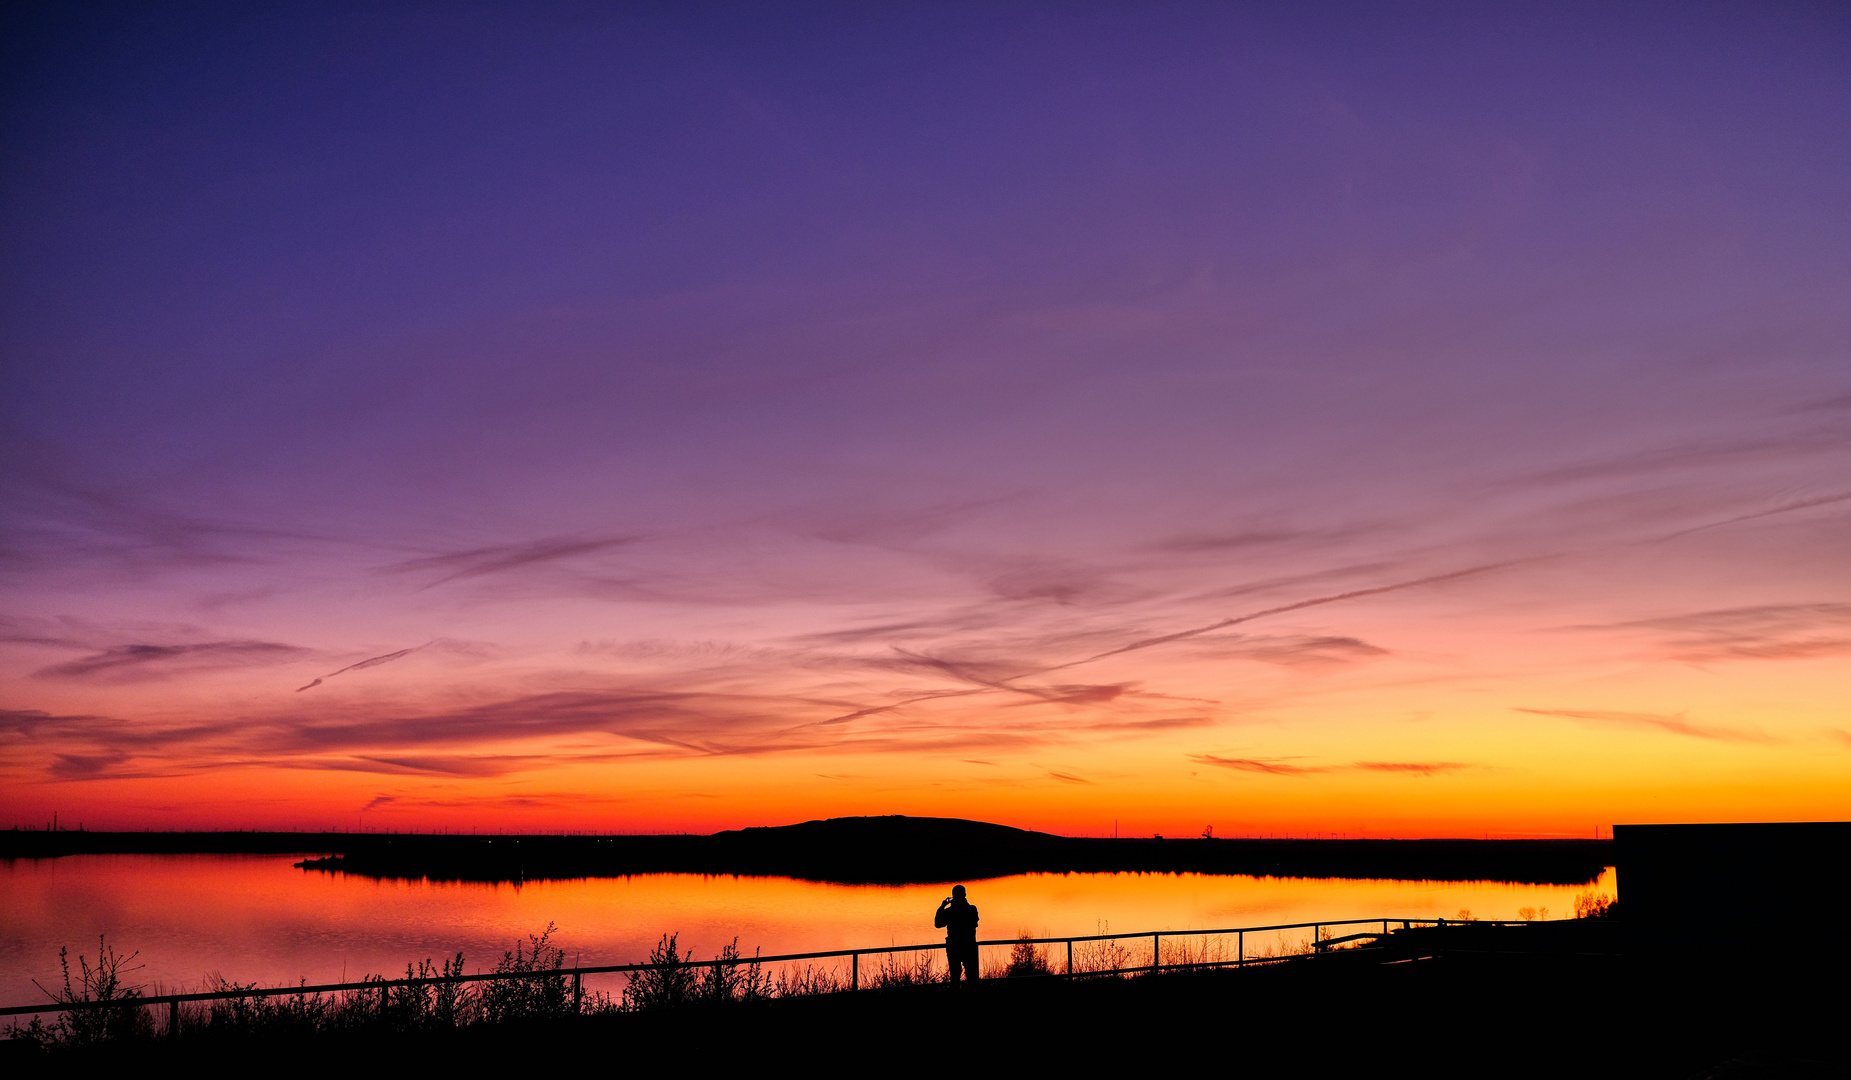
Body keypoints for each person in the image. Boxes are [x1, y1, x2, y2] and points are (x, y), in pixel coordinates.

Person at [935, 884, 980, 984]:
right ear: (965, 894)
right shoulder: (972, 909)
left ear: (953, 896)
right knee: (972, 975)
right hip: (969, 945)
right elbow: (975, 923)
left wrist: (942, 906)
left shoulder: (949, 912)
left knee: (955, 976)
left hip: (953, 946)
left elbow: (937, 923)